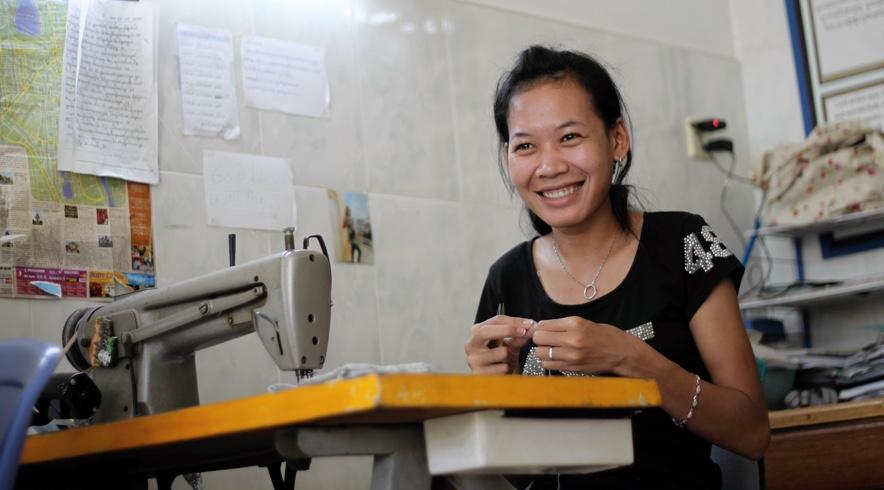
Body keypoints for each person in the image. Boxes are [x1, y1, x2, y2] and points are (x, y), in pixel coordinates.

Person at [464, 46, 769, 489]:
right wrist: (497, 395)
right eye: (526, 146)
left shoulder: (684, 245)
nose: (549, 166)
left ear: (617, 139)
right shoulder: (505, 279)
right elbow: (515, 476)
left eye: (570, 137)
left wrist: (634, 359)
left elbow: (753, 433)